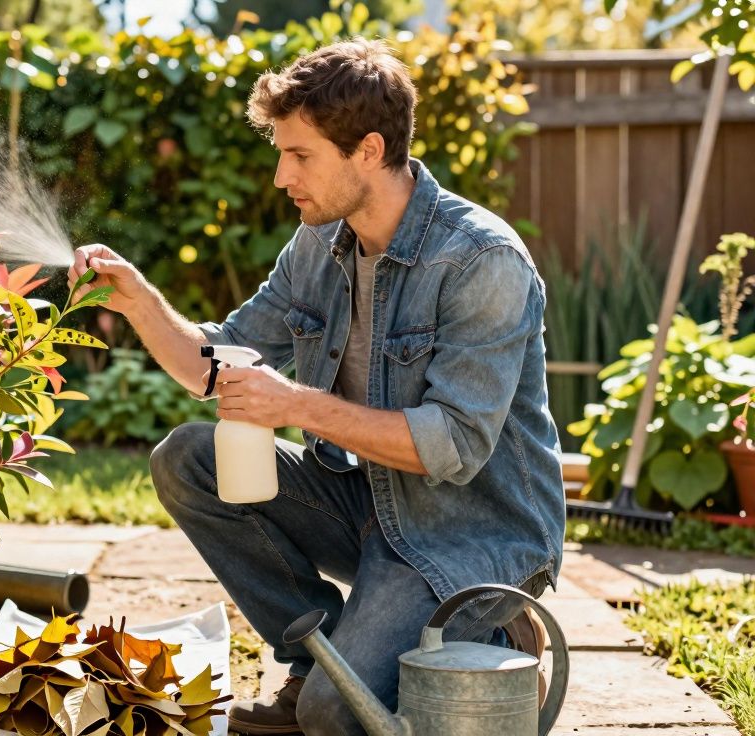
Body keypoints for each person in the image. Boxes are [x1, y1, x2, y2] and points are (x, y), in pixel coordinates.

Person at [66, 38, 565, 736]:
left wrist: (296, 404)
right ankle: (317, 657)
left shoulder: (481, 260)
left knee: (334, 717)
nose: (280, 175)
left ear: (367, 149)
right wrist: (140, 301)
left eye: (299, 155)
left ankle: (495, 634)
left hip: (473, 534)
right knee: (188, 458)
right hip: (369, 504)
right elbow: (214, 365)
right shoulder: (320, 243)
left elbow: (453, 446)